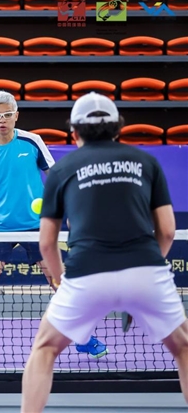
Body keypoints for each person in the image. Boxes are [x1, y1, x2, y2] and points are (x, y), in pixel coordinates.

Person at [21, 92, 188, 412]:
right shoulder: (146, 162)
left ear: (74, 131)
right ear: (118, 128)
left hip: (86, 273)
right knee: (183, 347)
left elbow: (46, 244)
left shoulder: (62, 170)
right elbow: (167, 231)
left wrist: (61, 280)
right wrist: (149, 268)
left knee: (44, 349)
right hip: (145, 269)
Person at [0, 91, 108, 363]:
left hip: (36, 226)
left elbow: (56, 178)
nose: (2, 120)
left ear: (16, 115)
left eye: (7, 115)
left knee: (59, 281)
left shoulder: (32, 142)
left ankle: (83, 337)